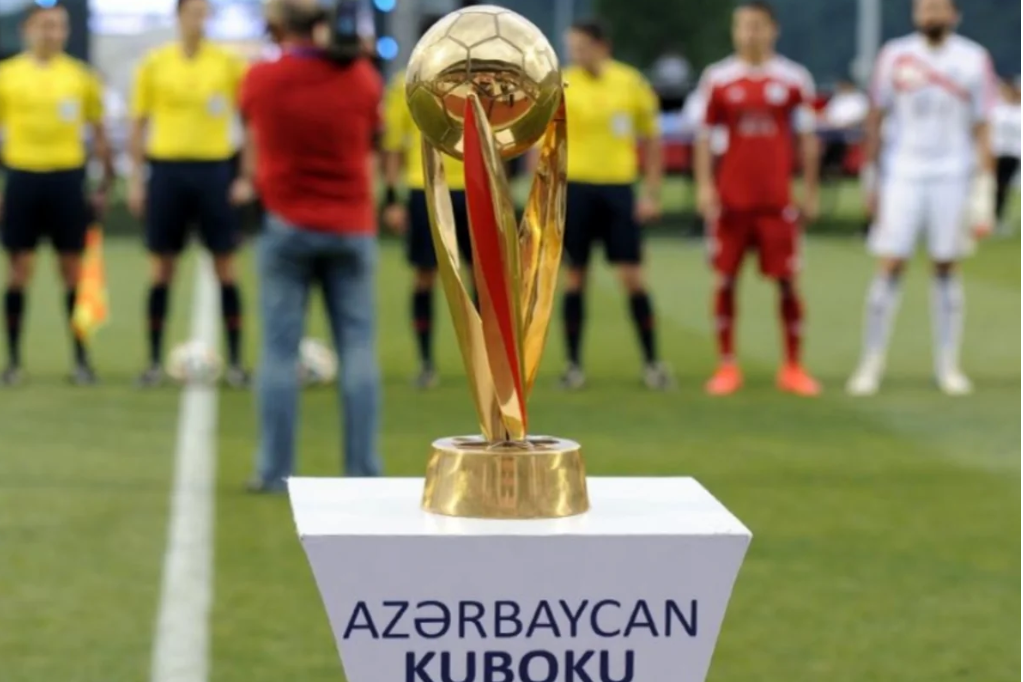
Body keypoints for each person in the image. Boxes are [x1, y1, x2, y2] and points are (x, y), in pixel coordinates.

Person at [239, 0, 383, 492]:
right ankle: (363, 471)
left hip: (288, 225)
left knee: (280, 352)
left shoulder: (261, 78)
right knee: (358, 349)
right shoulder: (361, 77)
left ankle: (274, 471)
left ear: (279, 26)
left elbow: (252, 136)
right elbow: (373, 137)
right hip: (351, 224)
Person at [847, 0, 996, 396]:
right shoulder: (894, 55)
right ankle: (871, 361)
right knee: (890, 263)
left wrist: (984, 187)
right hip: (902, 172)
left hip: (953, 174)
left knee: (946, 265)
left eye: (938, 8)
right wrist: (870, 177)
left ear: (954, 15)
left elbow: (983, 124)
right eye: (924, 8)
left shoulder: (973, 59)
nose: (930, 15)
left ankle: (948, 364)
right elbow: (876, 118)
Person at [693, 1, 822, 397]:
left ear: (772, 30)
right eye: (742, 26)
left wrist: (809, 190)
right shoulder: (718, 78)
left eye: (756, 26)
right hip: (732, 202)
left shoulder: (794, 79)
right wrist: (705, 186)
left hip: (776, 201)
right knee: (725, 279)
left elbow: (807, 139)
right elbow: (704, 138)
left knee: (787, 281)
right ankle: (727, 365)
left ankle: (793, 366)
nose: (749, 33)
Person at [128, 0, 250, 388]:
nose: (200, 19)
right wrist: (136, 179)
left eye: (204, 12)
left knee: (225, 265)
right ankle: (152, 361)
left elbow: (248, 122)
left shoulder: (228, 63)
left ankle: (236, 363)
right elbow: (138, 125)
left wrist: (244, 175)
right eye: (193, 12)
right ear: (178, 16)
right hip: (167, 171)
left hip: (214, 170)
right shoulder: (155, 63)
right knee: (162, 267)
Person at [0, 2, 114, 386]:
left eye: (59, 26)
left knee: (72, 271)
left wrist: (104, 184)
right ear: (29, 29)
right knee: (19, 270)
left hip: (67, 180)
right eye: (45, 25)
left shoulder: (81, 77)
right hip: (22, 178)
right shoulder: (7, 75)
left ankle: (81, 360)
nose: (53, 33)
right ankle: (13, 361)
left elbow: (99, 134)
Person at [559, 20, 672, 391]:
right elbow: (546, 143)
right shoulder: (562, 83)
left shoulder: (630, 82)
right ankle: (573, 366)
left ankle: (652, 363)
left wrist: (651, 193)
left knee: (632, 277)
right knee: (574, 277)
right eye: (573, 48)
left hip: (618, 190)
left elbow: (652, 141)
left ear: (602, 46)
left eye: (582, 47)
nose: (577, 54)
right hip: (575, 189)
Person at [381, 15, 472, 390]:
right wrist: (392, 199)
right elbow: (392, 147)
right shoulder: (404, 86)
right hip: (425, 189)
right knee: (425, 275)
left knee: (482, 278)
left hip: (472, 189)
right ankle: (425, 361)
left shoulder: (473, 84)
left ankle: (487, 359)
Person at [991, 77, 1020, 233]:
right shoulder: (997, 109)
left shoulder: (1018, 111)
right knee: (994, 186)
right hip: (997, 153)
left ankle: (999, 218)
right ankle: (991, 218)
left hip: (1013, 154)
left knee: (1005, 187)